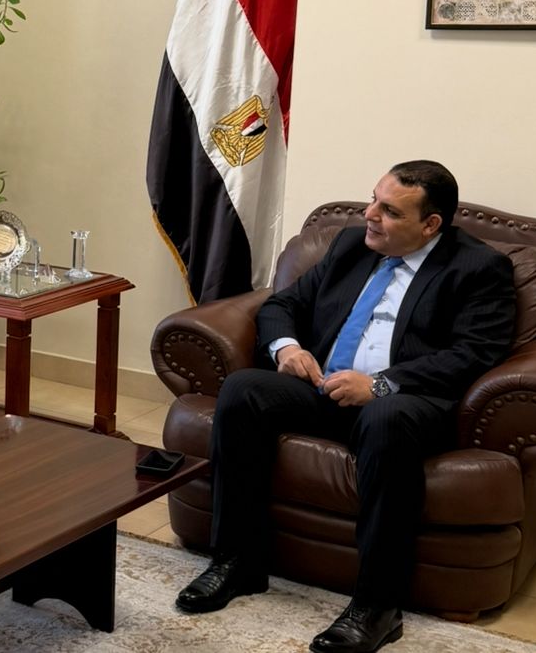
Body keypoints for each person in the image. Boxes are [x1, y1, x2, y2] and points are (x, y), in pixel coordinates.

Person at [174, 160, 516, 653]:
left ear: (430, 224)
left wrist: (379, 385)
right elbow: (282, 304)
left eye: (389, 211)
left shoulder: (478, 268)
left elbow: (475, 353)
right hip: (325, 389)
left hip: (404, 404)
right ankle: (237, 562)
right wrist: (288, 349)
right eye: (374, 199)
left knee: (386, 417)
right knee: (245, 390)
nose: (369, 214)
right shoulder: (350, 246)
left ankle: (377, 606)